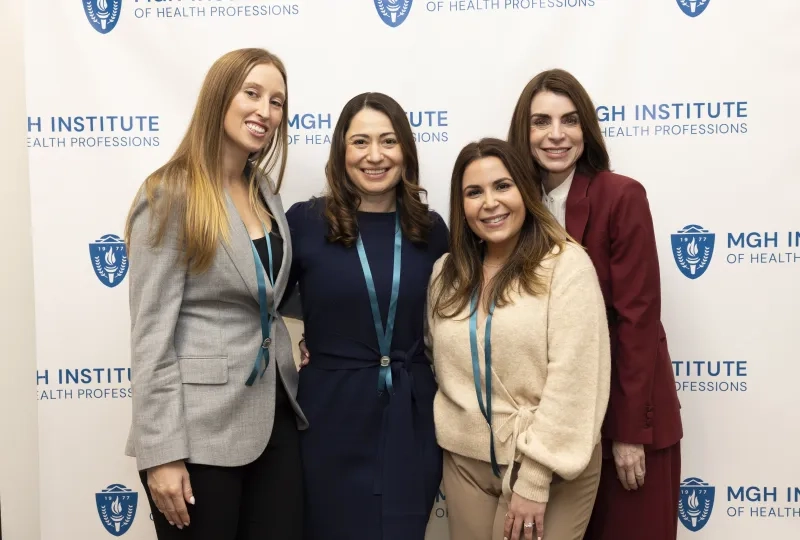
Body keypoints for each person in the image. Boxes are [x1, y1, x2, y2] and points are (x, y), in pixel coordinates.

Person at [123, 48, 307, 540]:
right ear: (219, 97)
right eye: (252, 93)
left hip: (275, 420)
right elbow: (150, 336)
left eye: (277, 102)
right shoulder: (169, 193)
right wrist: (161, 452)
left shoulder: (264, 188)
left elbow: (264, 289)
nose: (265, 112)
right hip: (197, 435)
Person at [507, 68, 684, 540]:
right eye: (541, 121)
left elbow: (638, 321)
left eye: (569, 120)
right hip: (558, 428)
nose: (556, 135)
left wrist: (628, 433)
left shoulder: (620, 196)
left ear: (587, 128)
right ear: (523, 132)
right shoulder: (515, 206)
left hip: (626, 421)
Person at [282, 92, 449, 540]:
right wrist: (304, 339)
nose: (374, 156)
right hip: (329, 414)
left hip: (410, 416)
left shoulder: (432, 231)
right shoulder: (304, 222)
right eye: (360, 142)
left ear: (406, 152)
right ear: (341, 152)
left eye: (388, 141)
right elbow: (261, 303)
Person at [426, 137, 610, 540]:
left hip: (549, 464)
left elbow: (575, 381)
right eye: (474, 192)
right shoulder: (446, 274)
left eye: (502, 186)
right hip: (466, 464)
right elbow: (433, 354)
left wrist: (535, 478)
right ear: (462, 206)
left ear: (525, 190)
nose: (489, 202)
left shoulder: (566, 265)